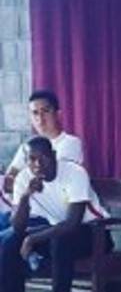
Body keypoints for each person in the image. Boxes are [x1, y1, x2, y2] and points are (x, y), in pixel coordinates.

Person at [0, 136, 108, 292]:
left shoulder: (74, 173)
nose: (37, 164)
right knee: (9, 241)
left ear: (54, 155)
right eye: (32, 159)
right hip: (55, 230)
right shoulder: (24, 178)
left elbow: (72, 223)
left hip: (93, 233)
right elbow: (18, 226)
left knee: (61, 241)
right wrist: (26, 196)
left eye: (43, 158)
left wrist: (32, 239)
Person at [0, 90, 83, 222]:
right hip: (24, 212)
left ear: (57, 114)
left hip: (51, 216)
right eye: (35, 113)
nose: (40, 118)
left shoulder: (70, 143)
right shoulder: (28, 146)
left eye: (46, 111)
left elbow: (49, 180)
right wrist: (22, 182)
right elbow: (9, 182)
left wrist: (22, 181)